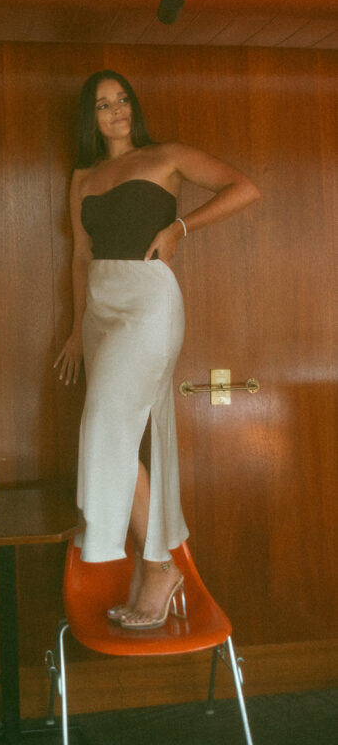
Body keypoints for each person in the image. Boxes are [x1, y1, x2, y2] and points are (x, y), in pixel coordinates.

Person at [54, 71, 259, 630]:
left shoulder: (166, 155)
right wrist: (76, 329)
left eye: (123, 99)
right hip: (99, 307)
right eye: (102, 104)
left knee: (102, 429)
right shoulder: (83, 177)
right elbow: (79, 256)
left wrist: (181, 228)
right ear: (90, 118)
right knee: (114, 435)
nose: (117, 111)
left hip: (148, 300)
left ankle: (159, 566)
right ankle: (156, 562)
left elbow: (245, 187)